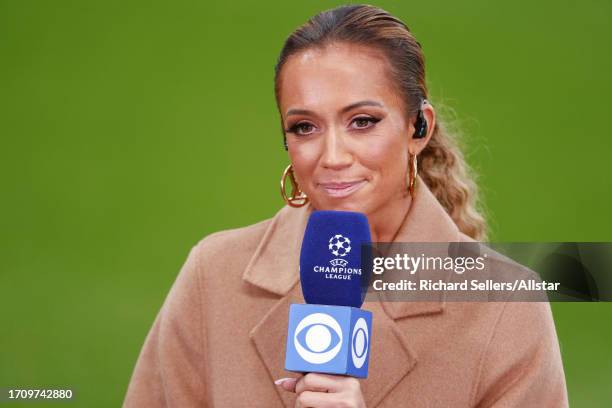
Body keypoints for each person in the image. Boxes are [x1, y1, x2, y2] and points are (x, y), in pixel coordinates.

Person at [123, 5, 568, 407]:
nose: (332, 156)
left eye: (362, 122)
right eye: (304, 127)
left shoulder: (508, 307)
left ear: (418, 129)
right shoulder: (213, 275)